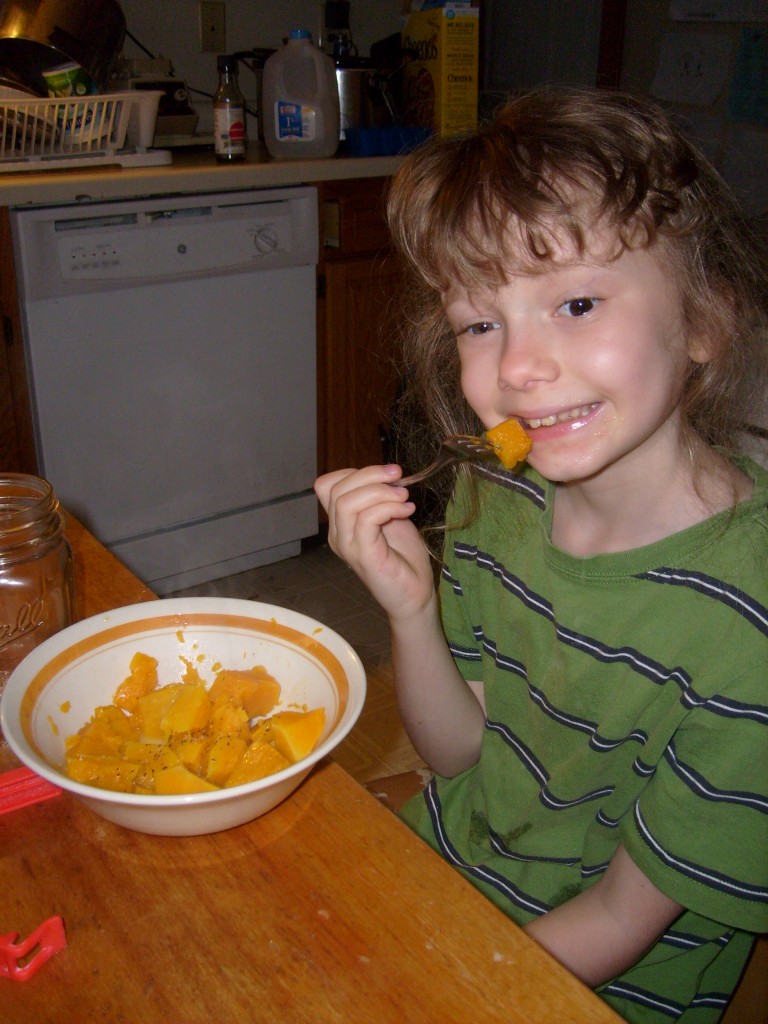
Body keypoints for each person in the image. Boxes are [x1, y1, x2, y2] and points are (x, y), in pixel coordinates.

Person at [314, 86, 768, 1023]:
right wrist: (410, 606)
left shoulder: (750, 620)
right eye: (482, 322)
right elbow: (456, 754)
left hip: (597, 978)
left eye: (575, 301)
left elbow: (618, 918)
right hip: (457, 866)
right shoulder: (497, 494)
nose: (517, 368)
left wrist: (427, 983)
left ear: (703, 323)